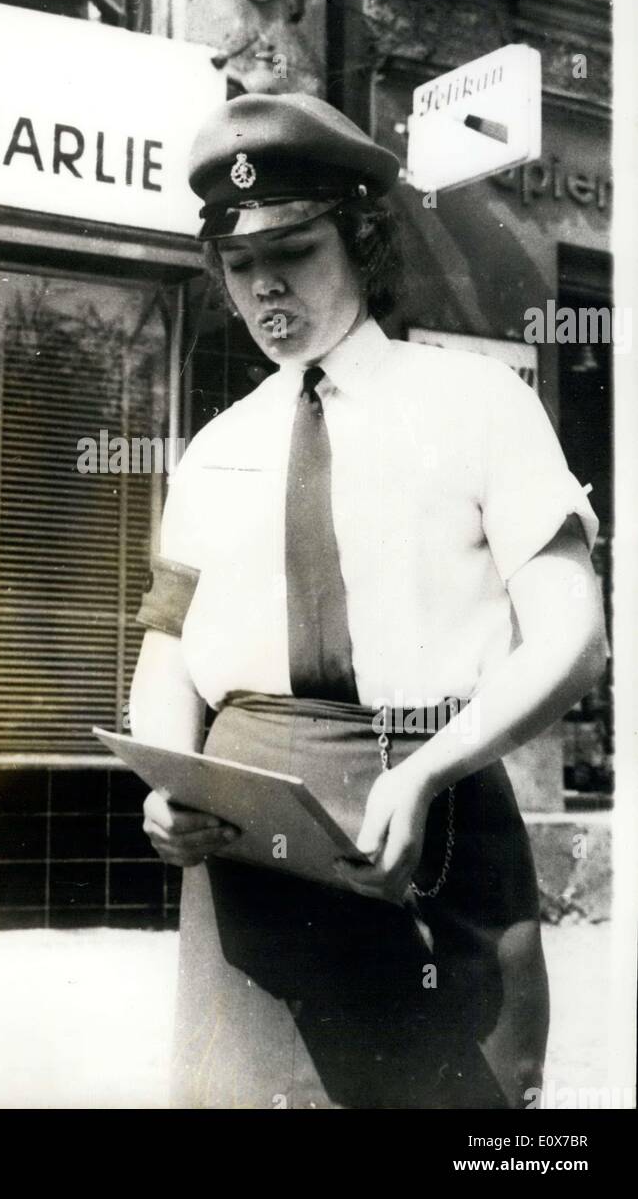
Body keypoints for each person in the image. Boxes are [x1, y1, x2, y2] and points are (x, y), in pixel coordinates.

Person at [128, 91, 608, 1110]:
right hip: (250, 859)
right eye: (239, 263)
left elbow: (573, 640)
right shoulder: (214, 452)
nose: (265, 287)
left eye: (293, 250)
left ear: (361, 240)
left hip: (432, 824)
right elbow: (167, 652)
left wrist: (427, 771)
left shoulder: (480, 404)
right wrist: (168, 784)